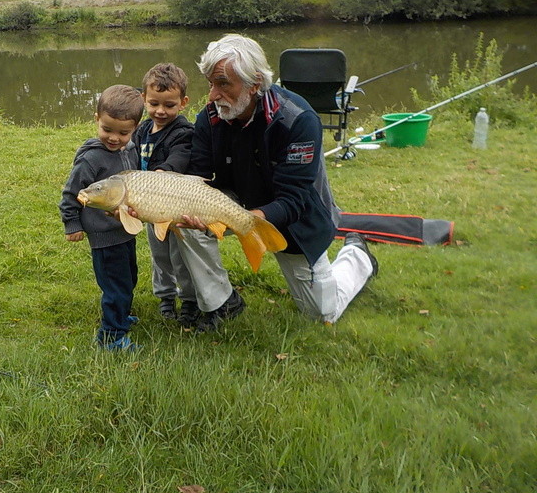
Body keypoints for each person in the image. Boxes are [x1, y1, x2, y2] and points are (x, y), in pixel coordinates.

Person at [174, 34, 379, 329]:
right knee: (184, 219)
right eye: (210, 83)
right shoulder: (210, 117)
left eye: (223, 84)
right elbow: (200, 177)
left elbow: (294, 200)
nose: (212, 96)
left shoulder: (298, 120)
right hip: (238, 199)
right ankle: (221, 302)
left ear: (255, 83)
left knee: (322, 313)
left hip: (296, 217)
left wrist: (250, 220)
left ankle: (358, 255)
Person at [59, 85, 144, 350]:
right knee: (115, 285)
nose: (114, 138)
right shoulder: (92, 158)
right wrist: (72, 223)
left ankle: (120, 316)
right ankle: (111, 336)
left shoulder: (130, 149)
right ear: (97, 119)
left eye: (123, 132)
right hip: (104, 236)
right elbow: (71, 193)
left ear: (135, 128)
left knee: (129, 277)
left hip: (125, 230)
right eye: (107, 129)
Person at [133, 63, 200, 327]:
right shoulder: (141, 131)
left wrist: (162, 173)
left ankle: (190, 301)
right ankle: (165, 296)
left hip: (176, 209)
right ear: (143, 99)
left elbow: (179, 159)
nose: (161, 111)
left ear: (183, 102)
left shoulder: (184, 132)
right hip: (151, 209)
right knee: (159, 255)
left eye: (169, 105)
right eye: (154, 103)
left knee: (180, 256)